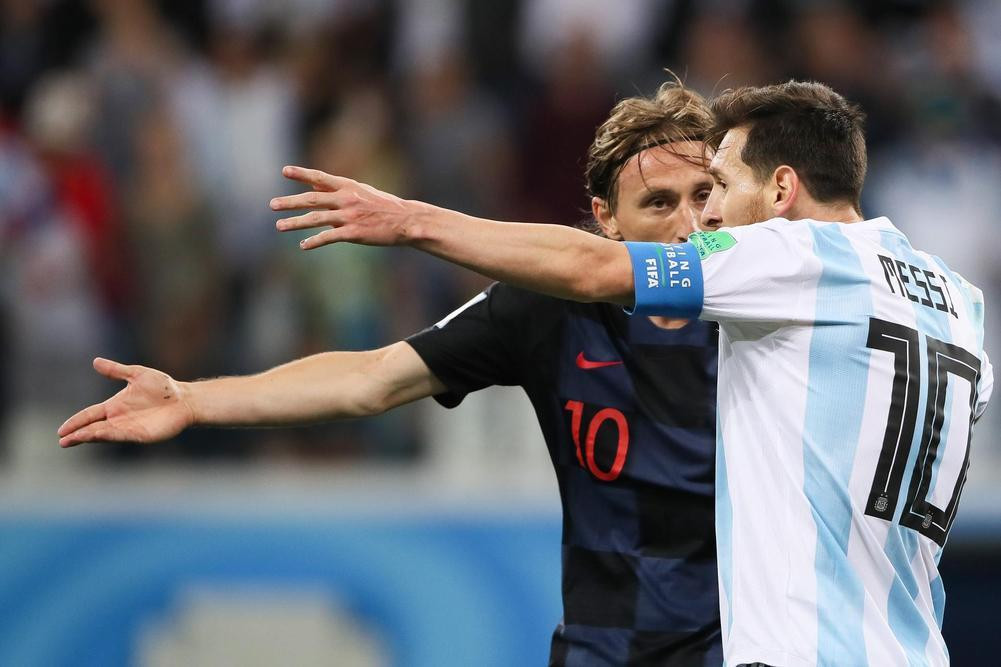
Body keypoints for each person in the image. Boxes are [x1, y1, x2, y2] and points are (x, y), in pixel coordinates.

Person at [263, 80, 993, 666]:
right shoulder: (959, 302)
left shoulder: (790, 259)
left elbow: (594, 268)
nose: (709, 219)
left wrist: (410, 221)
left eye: (718, 188)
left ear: (780, 189)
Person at [59, 81, 725, 665]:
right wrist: (193, 399)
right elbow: (371, 378)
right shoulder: (547, 309)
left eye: (703, 195)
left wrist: (410, 221)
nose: (689, 226)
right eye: (658, 203)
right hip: (605, 651)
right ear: (607, 219)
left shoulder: (764, 309)